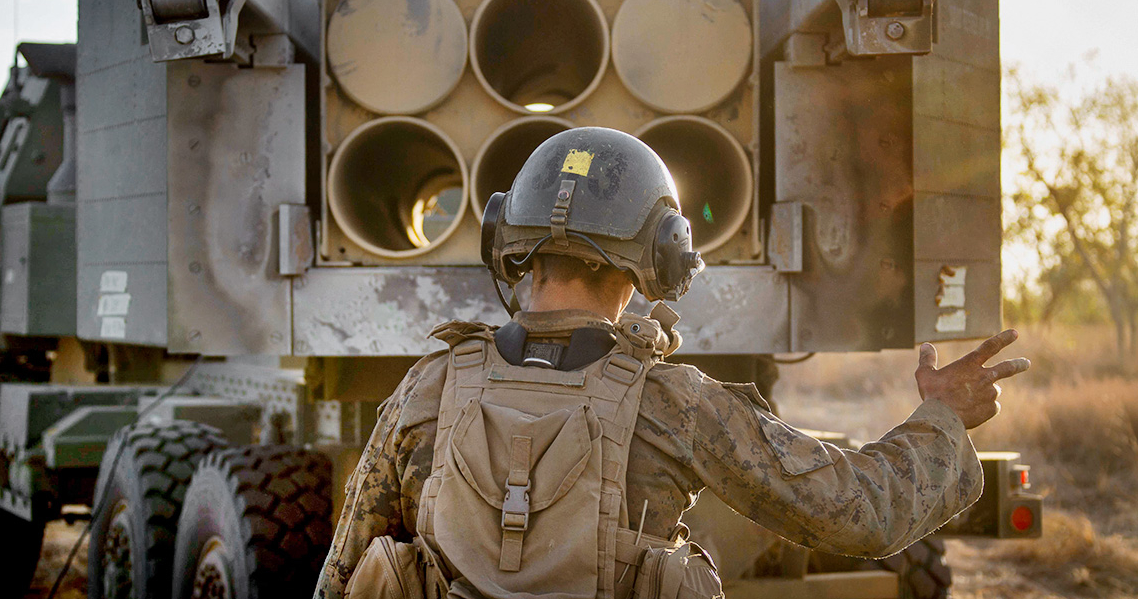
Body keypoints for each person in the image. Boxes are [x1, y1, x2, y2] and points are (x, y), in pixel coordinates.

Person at [314, 127, 1029, 599]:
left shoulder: (429, 384)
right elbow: (861, 514)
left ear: (507, 239)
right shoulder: (674, 403)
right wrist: (944, 415)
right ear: (661, 257)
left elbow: (344, 572)